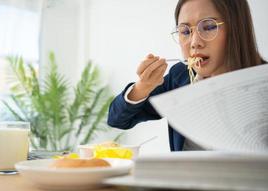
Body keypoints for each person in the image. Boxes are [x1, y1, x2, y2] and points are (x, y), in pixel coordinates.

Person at [107, 0, 266, 151]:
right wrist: (143, 87)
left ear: (236, 28)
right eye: (185, 31)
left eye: (209, 27)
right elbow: (117, 119)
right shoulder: (180, 76)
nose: (195, 42)